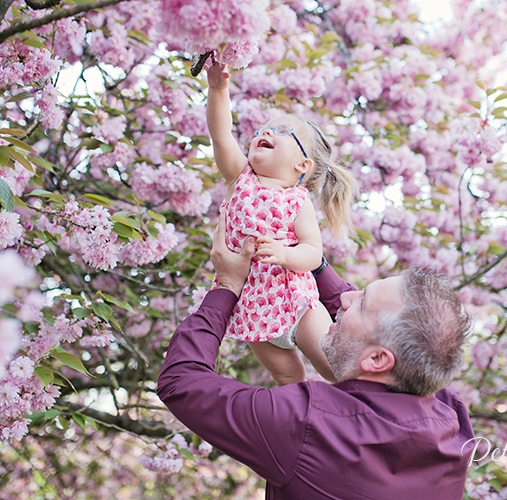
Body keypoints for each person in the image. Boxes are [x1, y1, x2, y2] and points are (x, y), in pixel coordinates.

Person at [156, 214, 476, 499]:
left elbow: (182, 383)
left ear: (378, 361)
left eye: (361, 303)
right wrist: (314, 263)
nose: (347, 296)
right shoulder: (450, 418)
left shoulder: (307, 424)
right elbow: (371, 334)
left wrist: (226, 286)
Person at [206, 61, 358, 385]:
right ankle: (305, 425)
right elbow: (220, 134)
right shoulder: (240, 178)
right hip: (252, 307)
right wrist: (218, 90)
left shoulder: (297, 200)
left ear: (302, 164)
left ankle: (363, 406)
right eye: (262, 129)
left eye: (283, 132)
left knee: (335, 368)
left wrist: (287, 256)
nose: (266, 132)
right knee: (289, 377)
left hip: (297, 302)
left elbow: (313, 252)